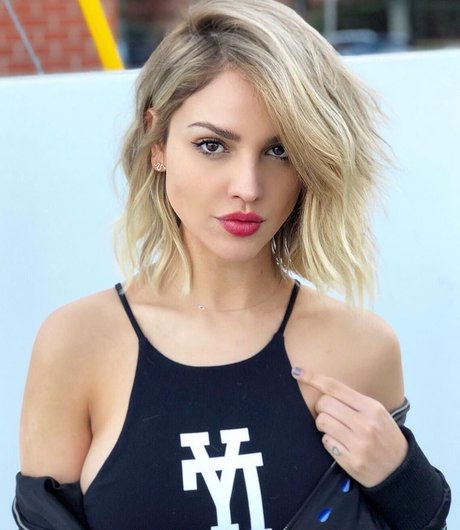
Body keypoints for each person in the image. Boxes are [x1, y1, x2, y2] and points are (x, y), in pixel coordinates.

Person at [13, 0, 450, 529]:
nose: (248, 187)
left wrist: (403, 478)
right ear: (157, 142)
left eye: (279, 151)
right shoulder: (76, 346)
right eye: (212, 145)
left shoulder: (361, 348)